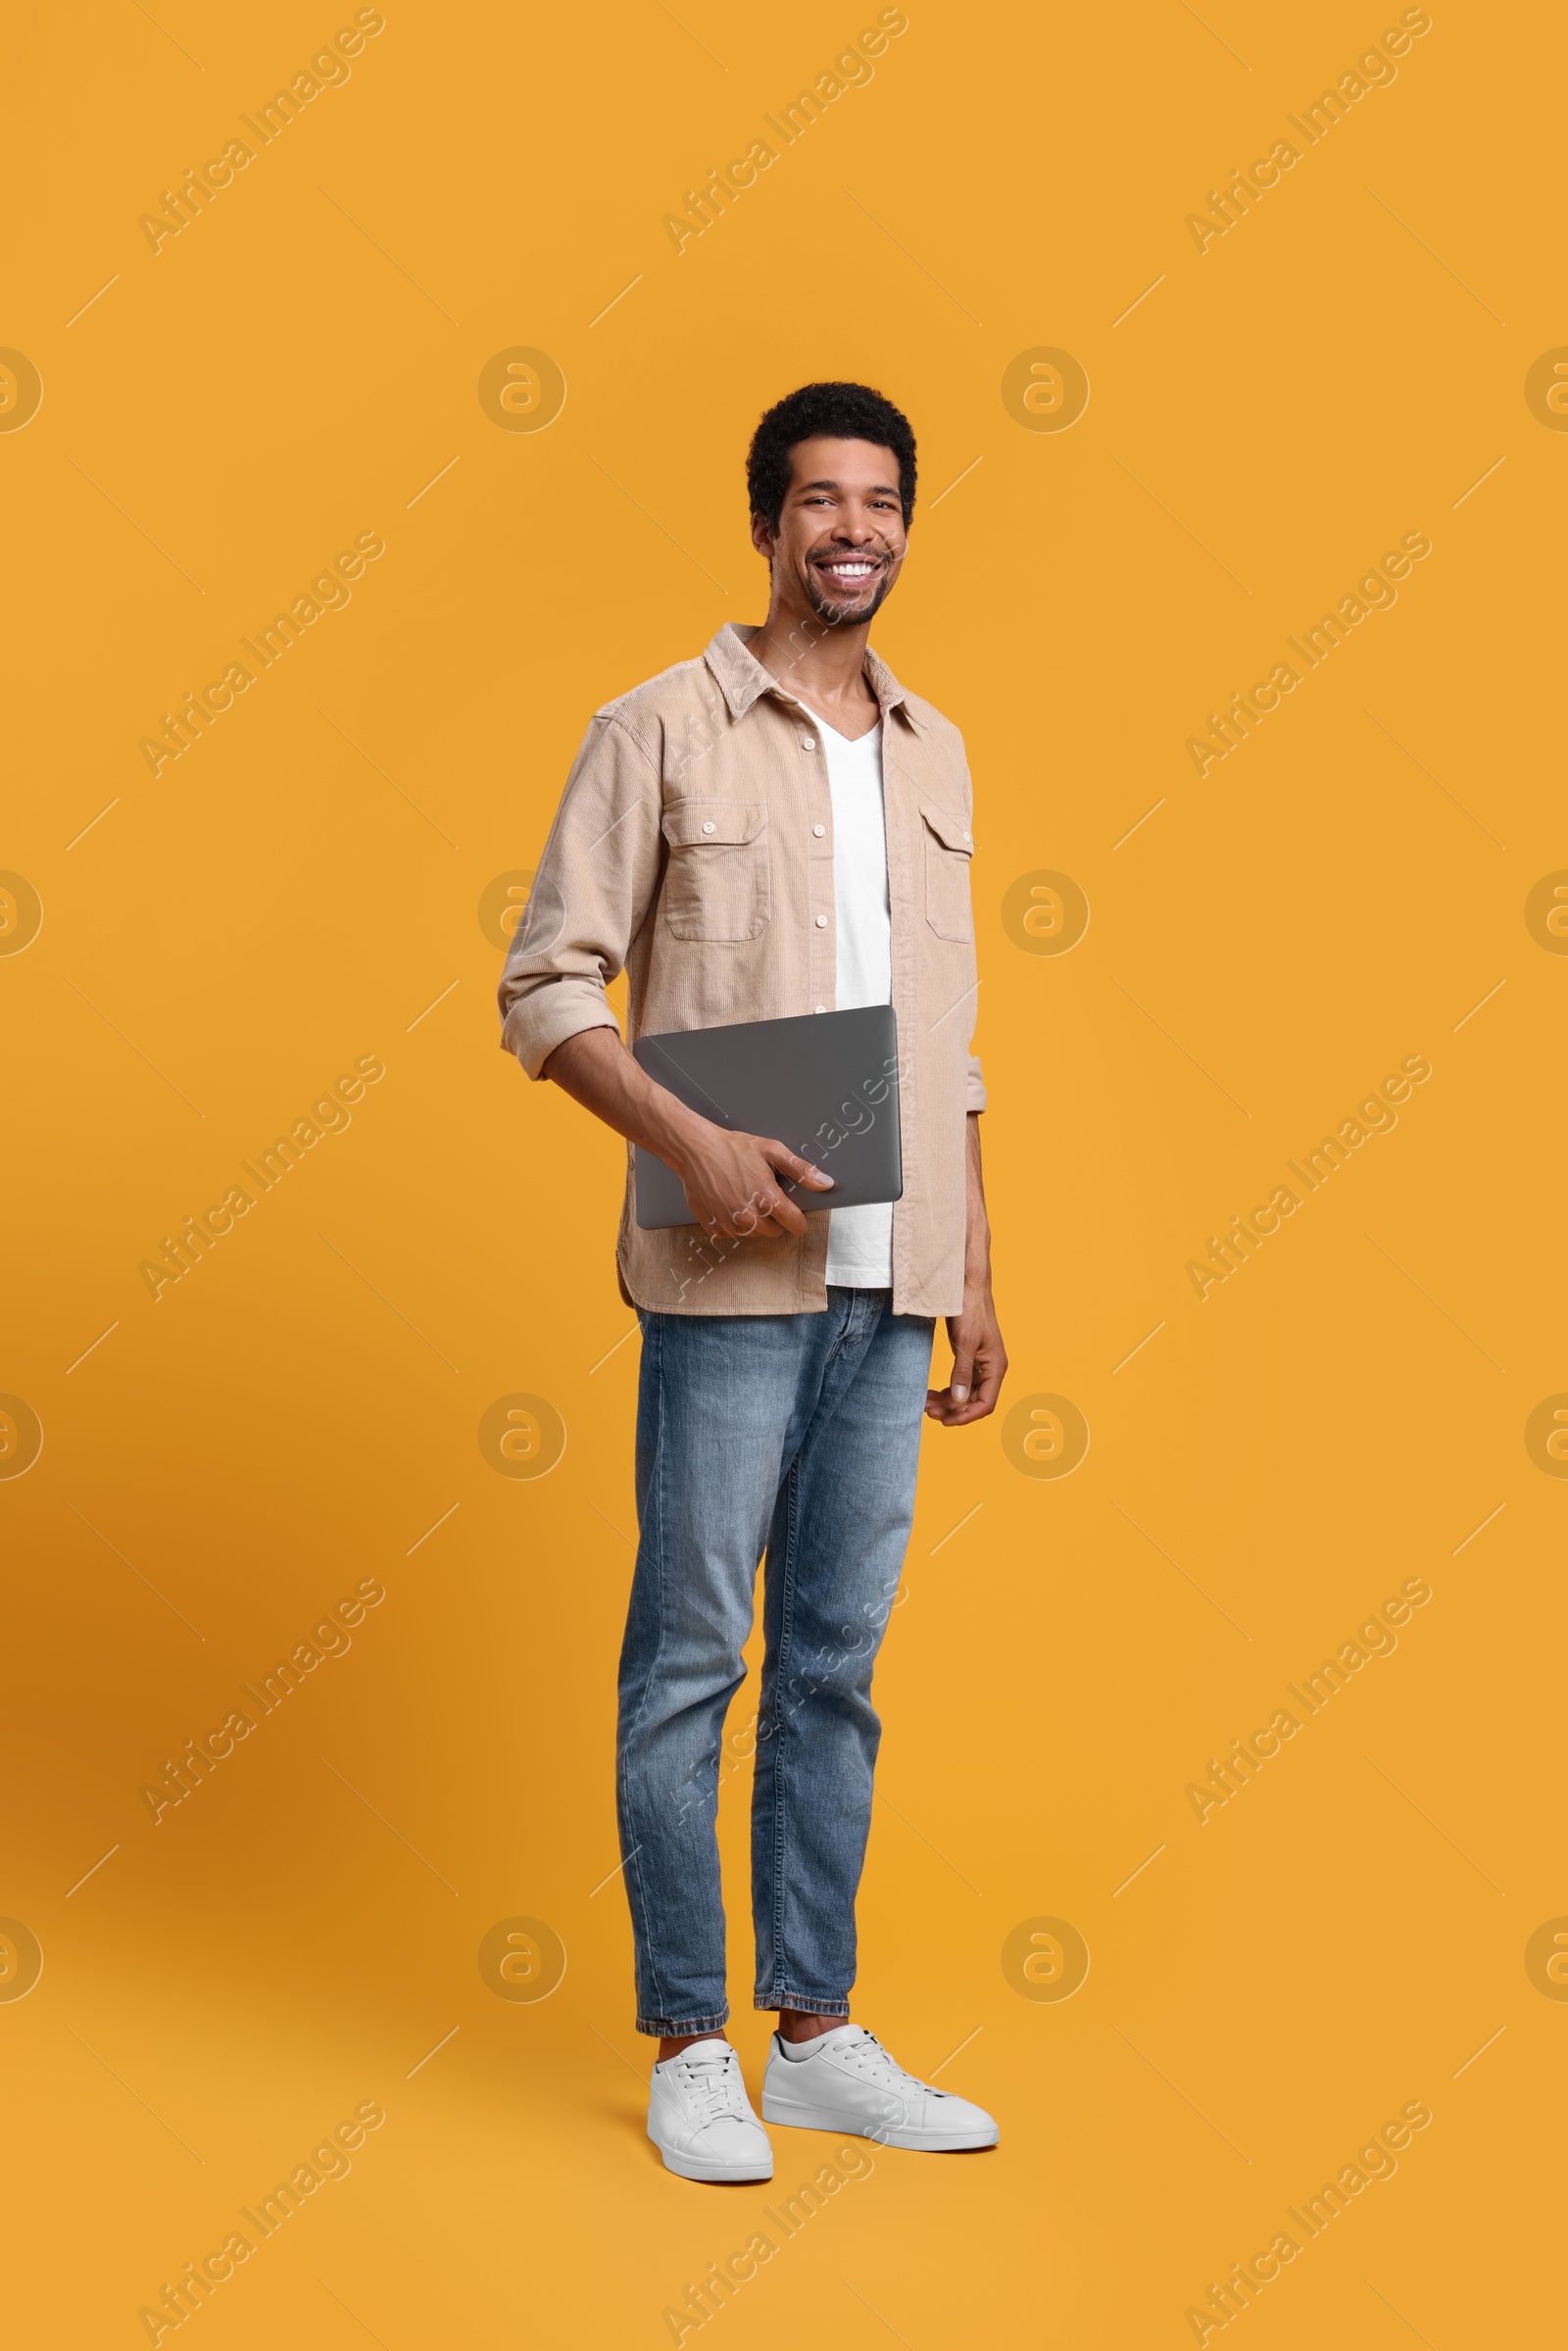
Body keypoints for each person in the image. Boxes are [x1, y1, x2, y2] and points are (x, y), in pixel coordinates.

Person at [498, 380, 1006, 2181]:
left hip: (892, 1286)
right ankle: (691, 2037)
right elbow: (545, 989)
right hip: (728, 1281)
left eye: (881, 501)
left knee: (839, 1665)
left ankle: (819, 2031)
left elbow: (949, 1051)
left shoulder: (937, 751)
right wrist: (696, 1145)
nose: (852, 528)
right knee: (693, 1659)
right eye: (819, 500)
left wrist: (976, 1269)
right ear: (767, 524)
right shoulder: (659, 729)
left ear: (905, 526)